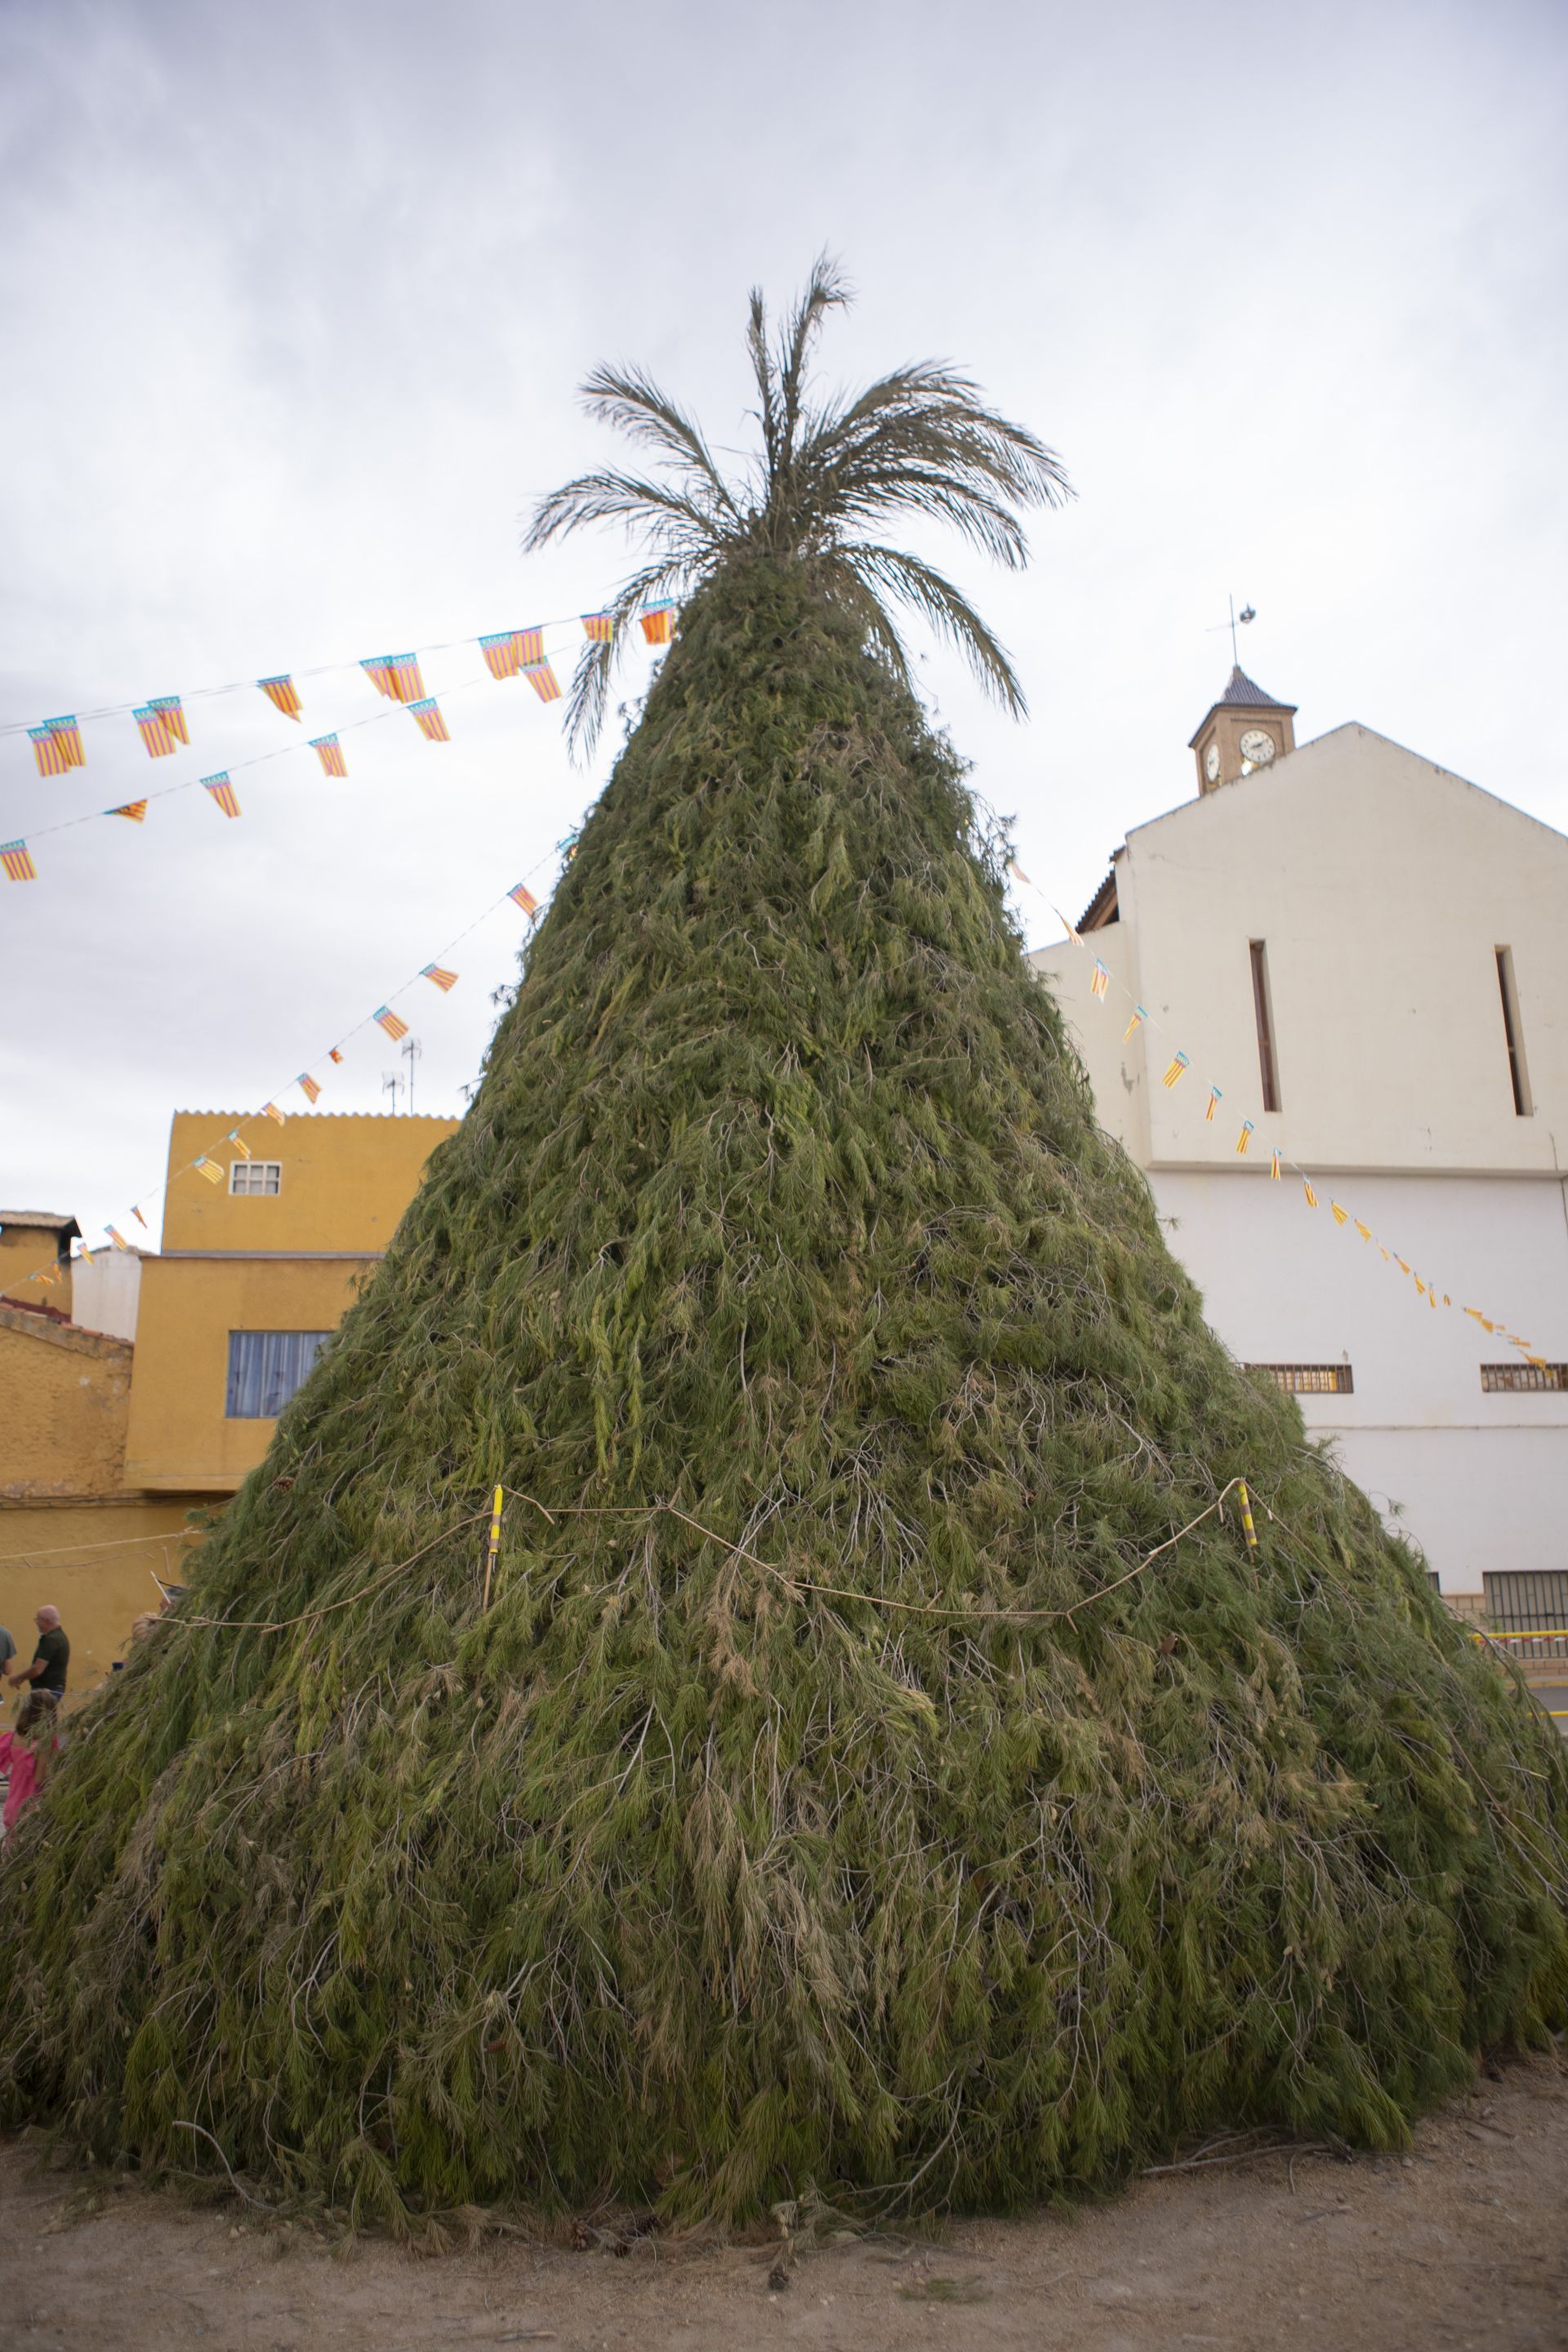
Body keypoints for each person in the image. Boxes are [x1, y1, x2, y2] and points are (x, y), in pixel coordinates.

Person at [0, 1691, 60, 1843]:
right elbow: (40, 1778)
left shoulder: (13, 1737)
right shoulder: (46, 1742)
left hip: (12, 1805)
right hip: (31, 1807)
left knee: (11, 1852)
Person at [7, 1606, 69, 1702]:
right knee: (46, 1716)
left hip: (47, 1691)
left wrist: (19, 1677)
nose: (37, 1623)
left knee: (34, 1716)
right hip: (54, 1689)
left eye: (38, 1619)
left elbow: (38, 1669)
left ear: (46, 1621)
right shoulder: (59, 1637)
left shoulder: (52, 1640)